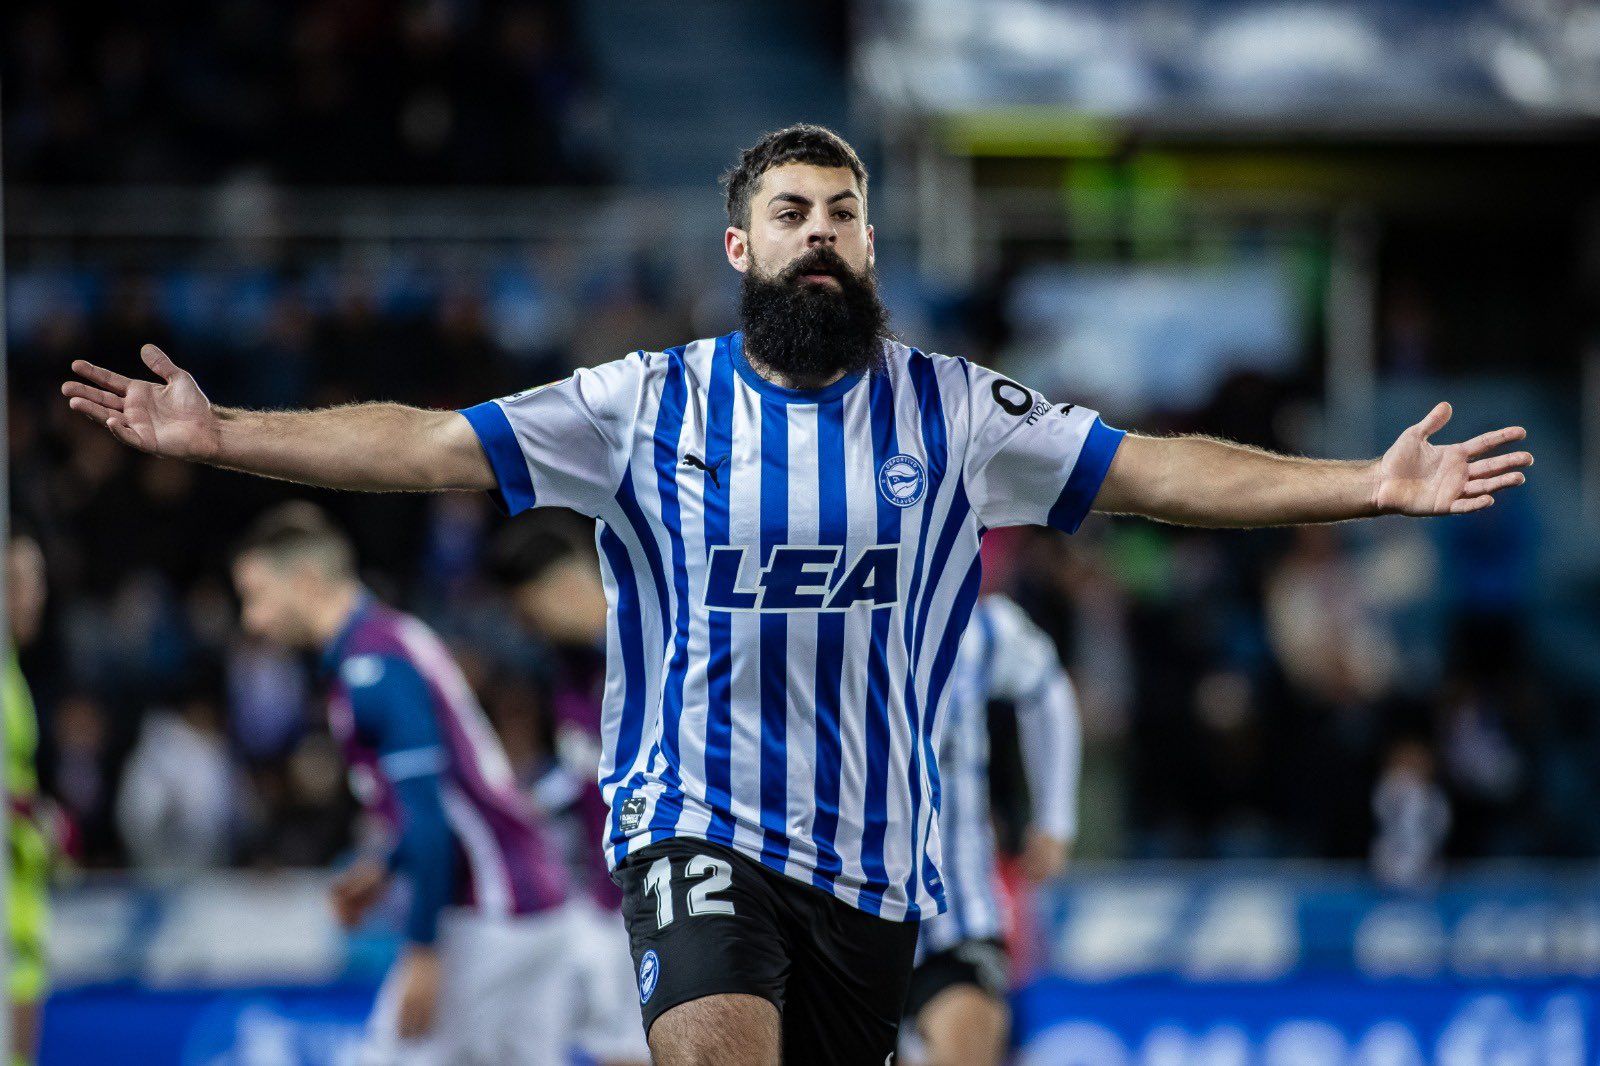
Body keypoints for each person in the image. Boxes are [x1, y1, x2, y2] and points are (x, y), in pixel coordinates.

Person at [64, 123, 1533, 1066]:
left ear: (872, 246)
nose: (819, 231)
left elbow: (1154, 473)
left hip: (874, 869)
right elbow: (435, 444)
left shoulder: (961, 415)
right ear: (741, 247)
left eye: (844, 210)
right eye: (791, 210)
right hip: (691, 824)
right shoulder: (644, 403)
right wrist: (228, 436)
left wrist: (1369, 481)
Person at [229, 504, 577, 1065]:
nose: (253, 618)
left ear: (307, 581)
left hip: (490, 908)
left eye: (258, 593)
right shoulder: (387, 639)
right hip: (531, 897)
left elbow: (432, 813)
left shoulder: (372, 667)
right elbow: (448, 796)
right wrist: (387, 865)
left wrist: (421, 949)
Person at [903, 593, 1080, 1066]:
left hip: (958, 914)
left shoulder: (979, 628)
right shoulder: (818, 624)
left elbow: (1047, 686)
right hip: (838, 907)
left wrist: (1055, 819)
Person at [498, 520, 651, 1066]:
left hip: (659, 893)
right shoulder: (568, 671)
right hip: (602, 900)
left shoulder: (649, 648)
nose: (529, 628)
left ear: (560, 586)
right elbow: (581, 775)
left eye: (530, 611)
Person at [6, 535, 51, 1066]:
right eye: (18, 583)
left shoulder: (12, 670)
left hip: (21, 912)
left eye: (37, 583)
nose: (32, 597)